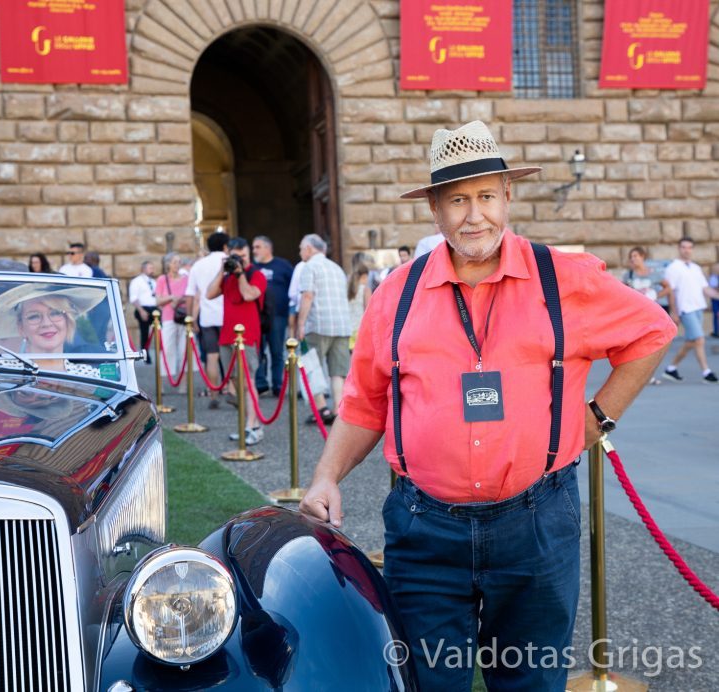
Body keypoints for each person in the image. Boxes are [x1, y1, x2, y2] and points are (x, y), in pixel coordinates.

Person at [298, 120, 676, 692]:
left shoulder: (564, 279)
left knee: (529, 682)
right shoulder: (394, 295)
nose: (474, 215)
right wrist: (327, 476)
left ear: (507, 196)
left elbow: (652, 332)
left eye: (485, 196)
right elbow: (363, 403)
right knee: (428, 681)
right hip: (424, 531)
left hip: (537, 525)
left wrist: (598, 418)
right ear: (434, 209)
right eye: (456, 200)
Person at [206, 237, 267, 445]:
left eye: (242, 256)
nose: (239, 260)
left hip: (248, 337)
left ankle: (253, 426)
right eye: (235, 256)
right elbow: (209, 293)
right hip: (227, 336)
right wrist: (223, 270)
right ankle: (245, 425)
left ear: (248, 254)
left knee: (249, 381)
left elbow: (249, 295)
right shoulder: (227, 276)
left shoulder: (256, 274)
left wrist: (240, 273)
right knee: (235, 382)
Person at [0, 284, 103, 374]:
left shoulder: (89, 375)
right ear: (21, 327)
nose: (46, 323)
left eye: (55, 313)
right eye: (33, 316)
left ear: (67, 320)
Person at [296, 233, 351, 424]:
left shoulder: (309, 267)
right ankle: (338, 409)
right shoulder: (336, 267)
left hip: (317, 325)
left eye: (301, 248)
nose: (300, 252)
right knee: (338, 371)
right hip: (342, 325)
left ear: (310, 248)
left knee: (312, 367)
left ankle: (321, 409)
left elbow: (307, 296)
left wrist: (300, 324)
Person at [663, 237, 719, 382]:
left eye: (689, 247)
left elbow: (706, 289)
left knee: (692, 341)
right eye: (683, 247)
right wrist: (674, 312)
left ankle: (671, 369)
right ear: (679, 248)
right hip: (685, 309)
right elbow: (670, 291)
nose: (686, 250)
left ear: (692, 249)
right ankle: (706, 372)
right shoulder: (673, 268)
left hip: (698, 307)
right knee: (699, 339)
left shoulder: (696, 268)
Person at [186, 231, 228, 408]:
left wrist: (190, 318)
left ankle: (213, 394)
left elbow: (190, 294)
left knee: (211, 356)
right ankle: (232, 390)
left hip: (208, 316)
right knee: (232, 356)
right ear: (226, 246)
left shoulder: (198, 265)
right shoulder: (229, 261)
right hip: (228, 316)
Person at [621, 246, 673, 385]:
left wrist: (655, 294)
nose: (633, 259)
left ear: (643, 257)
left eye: (636, 256)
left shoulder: (653, 273)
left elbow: (668, 288)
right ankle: (637, 375)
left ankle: (648, 374)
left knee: (650, 346)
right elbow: (621, 294)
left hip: (651, 315)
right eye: (631, 257)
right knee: (635, 346)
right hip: (635, 316)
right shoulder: (629, 275)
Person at [251, 235, 293, 396]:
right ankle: (261, 384)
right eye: (254, 247)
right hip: (257, 316)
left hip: (278, 315)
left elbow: (293, 288)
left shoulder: (283, 266)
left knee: (277, 351)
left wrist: (291, 314)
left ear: (268, 248)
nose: (255, 250)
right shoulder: (253, 267)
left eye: (258, 247)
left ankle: (278, 385)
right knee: (257, 351)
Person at [154, 252, 188, 383]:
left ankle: (184, 382)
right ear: (168, 264)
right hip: (168, 318)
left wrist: (179, 300)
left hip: (183, 317)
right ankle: (162, 382)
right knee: (167, 349)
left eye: (179, 262)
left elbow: (190, 297)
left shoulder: (186, 278)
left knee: (184, 351)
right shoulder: (162, 279)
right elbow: (157, 301)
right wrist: (171, 298)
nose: (177, 265)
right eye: (175, 262)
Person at [129, 260, 158, 365]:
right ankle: (145, 355)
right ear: (143, 269)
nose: (152, 270)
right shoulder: (136, 281)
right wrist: (141, 311)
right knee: (144, 333)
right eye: (150, 268)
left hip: (154, 309)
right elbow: (134, 298)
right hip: (143, 308)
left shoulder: (153, 282)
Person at [347, 253, 375, 350]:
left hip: (347, 329)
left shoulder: (347, 287)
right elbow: (369, 311)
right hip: (360, 329)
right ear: (364, 276)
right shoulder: (366, 289)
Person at [710, 261, 719, 338]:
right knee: (716, 315)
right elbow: (713, 287)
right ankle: (716, 331)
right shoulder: (713, 277)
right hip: (715, 299)